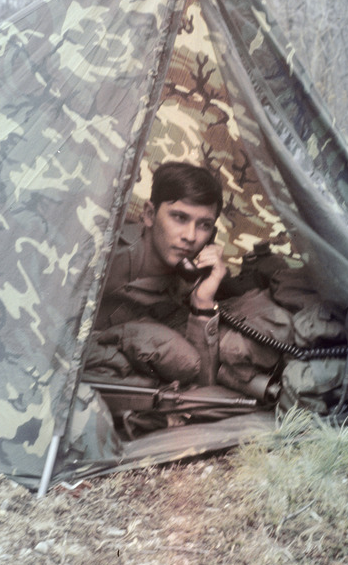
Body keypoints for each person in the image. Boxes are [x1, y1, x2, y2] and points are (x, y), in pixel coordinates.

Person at [85, 161, 291, 406]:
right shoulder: (99, 249)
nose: (191, 237)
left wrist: (202, 302)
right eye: (179, 218)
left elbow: (202, 383)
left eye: (204, 225)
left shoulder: (184, 289)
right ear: (149, 214)